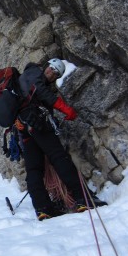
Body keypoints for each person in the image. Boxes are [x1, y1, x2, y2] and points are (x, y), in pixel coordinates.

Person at [16, 58, 91, 220]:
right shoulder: (34, 73)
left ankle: (43, 208)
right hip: (37, 124)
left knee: (34, 168)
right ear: (45, 67)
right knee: (59, 158)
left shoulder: (24, 78)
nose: (52, 73)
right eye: (51, 68)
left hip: (25, 128)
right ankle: (83, 198)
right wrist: (65, 109)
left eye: (56, 73)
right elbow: (41, 91)